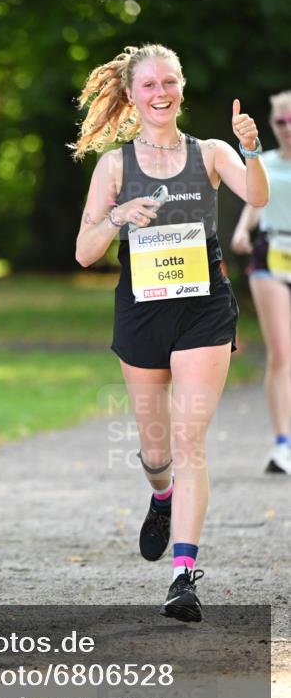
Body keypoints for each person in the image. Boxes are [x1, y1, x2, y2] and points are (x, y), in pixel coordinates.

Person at [73, 44, 269, 623]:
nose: (161, 94)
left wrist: (251, 148)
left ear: (181, 88)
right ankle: (161, 496)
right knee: (158, 450)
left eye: (169, 83)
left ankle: (184, 576)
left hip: (204, 308)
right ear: (131, 95)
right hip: (141, 310)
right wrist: (117, 217)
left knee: (189, 443)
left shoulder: (208, 152)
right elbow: (84, 254)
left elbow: (256, 195)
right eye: (149, 85)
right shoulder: (114, 165)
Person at [231, 89, 291, 475]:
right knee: (282, 353)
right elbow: (255, 201)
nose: (287, 128)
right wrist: (241, 232)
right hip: (271, 255)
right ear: (271, 124)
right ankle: (283, 442)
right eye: (280, 122)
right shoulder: (264, 161)